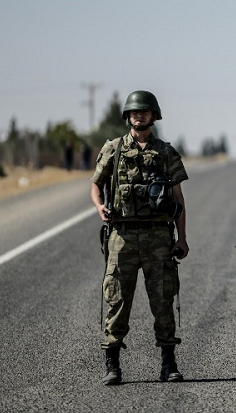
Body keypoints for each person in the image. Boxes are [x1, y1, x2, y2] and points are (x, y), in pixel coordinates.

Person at [90, 90, 189, 385]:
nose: (139, 116)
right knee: (117, 300)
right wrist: (99, 206)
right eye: (134, 112)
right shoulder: (113, 149)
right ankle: (113, 365)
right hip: (122, 235)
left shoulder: (166, 152)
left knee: (162, 300)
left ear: (153, 116)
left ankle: (168, 363)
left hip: (158, 236)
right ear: (127, 117)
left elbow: (178, 198)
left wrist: (181, 238)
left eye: (144, 112)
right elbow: (95, 185)